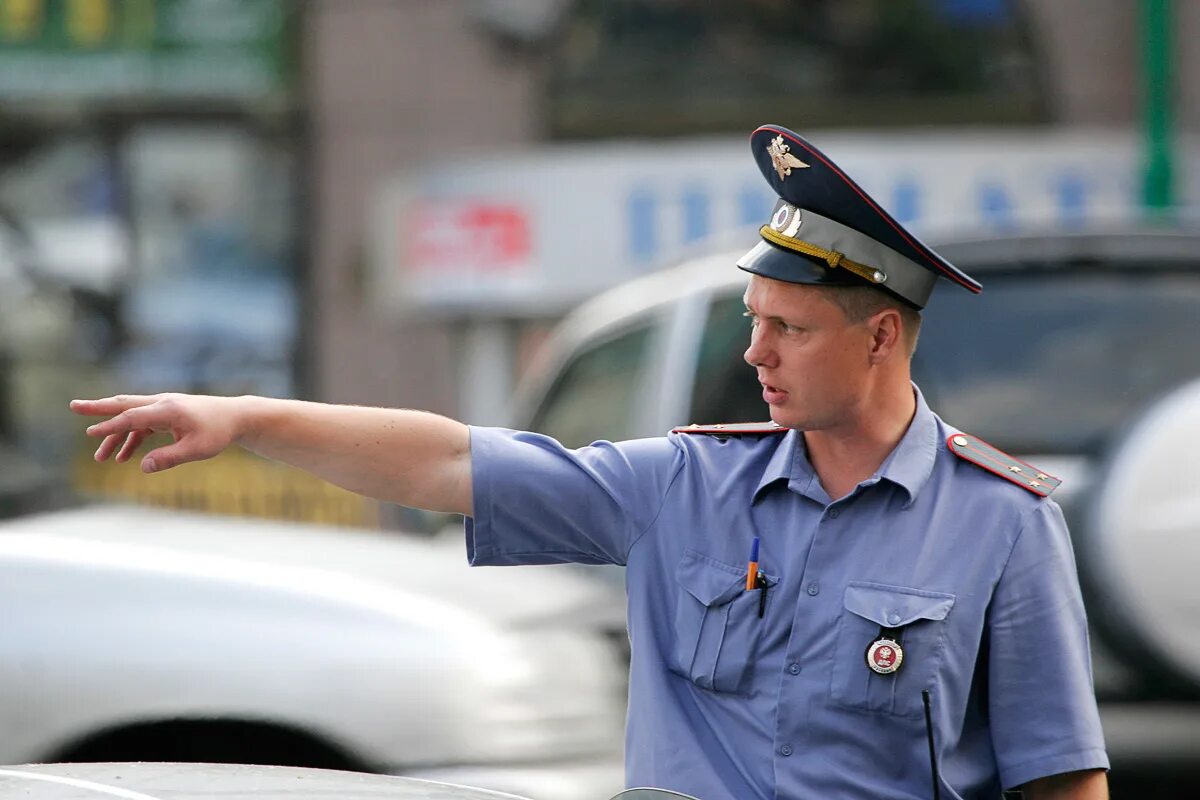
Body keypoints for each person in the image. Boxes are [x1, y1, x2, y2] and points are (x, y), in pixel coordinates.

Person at [72, 125, 1109, 800]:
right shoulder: (683, 487)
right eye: (754, 321)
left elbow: (1061, 778)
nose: (753, 354)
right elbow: (447, 463)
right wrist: (249, 415)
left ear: (881, 336)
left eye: (786, 327)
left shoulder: (1003, 523)